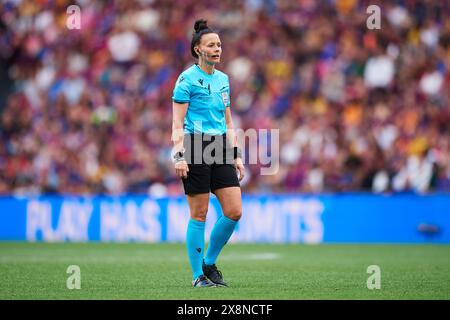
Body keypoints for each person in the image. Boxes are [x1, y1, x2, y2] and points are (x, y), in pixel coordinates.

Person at [171, 19, 245, 288]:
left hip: (220, 147)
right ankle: (197, 276)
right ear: (197, 49)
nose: (217, 49)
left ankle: (209, 262)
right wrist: (179, 154)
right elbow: (177, 123)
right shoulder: (186, 80)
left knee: (234, 210)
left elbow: (228, 122)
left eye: (219, 45)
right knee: (199, 213)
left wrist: (235, 154)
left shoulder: (224, 80)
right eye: (211, 45)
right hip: (195, 146)